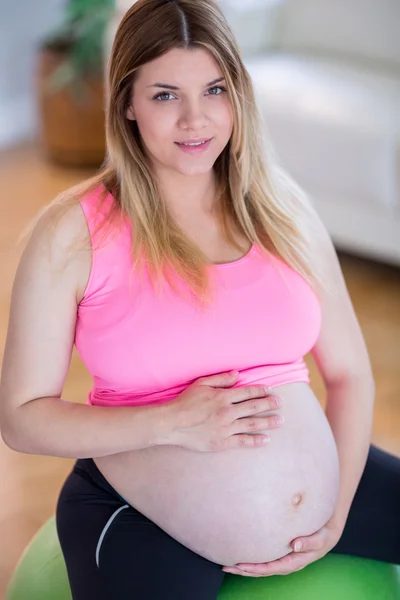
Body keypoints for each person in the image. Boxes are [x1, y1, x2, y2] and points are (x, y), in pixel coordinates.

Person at [0, 0, 399, 598]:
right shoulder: (73, 232)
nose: (195, 119)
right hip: (134, 504)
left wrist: (334, 511)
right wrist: (174, 423)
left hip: (330, 480)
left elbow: (349, 376)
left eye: (214, 89)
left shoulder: (282, 208)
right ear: (127, 104)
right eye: (165, 95)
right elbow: (21, 417)